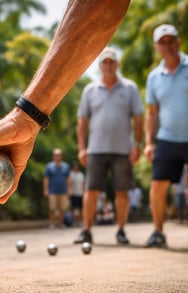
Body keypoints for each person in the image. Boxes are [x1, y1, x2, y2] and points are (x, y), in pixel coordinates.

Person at [0, 0, 131, 205]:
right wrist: (27, 118)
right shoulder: (91, 91)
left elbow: (99, 6)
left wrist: (25, 116)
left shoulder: (128, 88)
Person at [144, 24, 188, 249]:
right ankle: (158, 232)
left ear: (178, 42)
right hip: (167, 139)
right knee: (157, 185)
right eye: (162, 42)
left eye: (171, 40)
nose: (167, 46)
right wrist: (147, 142)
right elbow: (152, 113)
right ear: (157, 47)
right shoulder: (154, 77)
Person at [73, 47, 144, 245]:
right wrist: (81, 147)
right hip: (96, 149)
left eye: (111, 61)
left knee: (122, 191)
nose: (108, 65)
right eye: (105, 62)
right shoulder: (90, 90)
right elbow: (83, 122)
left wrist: (137, 144)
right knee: (91, 190)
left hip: (123, 150)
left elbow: (139, 119)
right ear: (100, 66)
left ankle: (121, 230)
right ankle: (86, 230)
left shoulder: (130, 88)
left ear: (117, 64)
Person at [43, 148, 71, 228]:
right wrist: (46, 189)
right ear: (53, 156)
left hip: (63, 190)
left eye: (58, 155)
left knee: (63, 209)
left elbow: (68, 179)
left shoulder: (66, 166)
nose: (57, 156)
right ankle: (52, 223)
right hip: (52, 191)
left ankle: (61, 223)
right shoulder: (49, 166)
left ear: (61, 156)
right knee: (52, 208)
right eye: (55, 155)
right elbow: (46, 179)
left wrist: (69, 189)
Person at [69, 161, 85, 226]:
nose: (76, 167)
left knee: (80, 208)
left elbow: (83, 184)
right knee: (73, 208)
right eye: (75, 166)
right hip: (73, 193)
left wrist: (84, 191)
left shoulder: (81, 174)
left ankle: (80, 221)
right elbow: (69, 183)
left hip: (80, 193)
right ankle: (74, 221)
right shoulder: (70, 174)